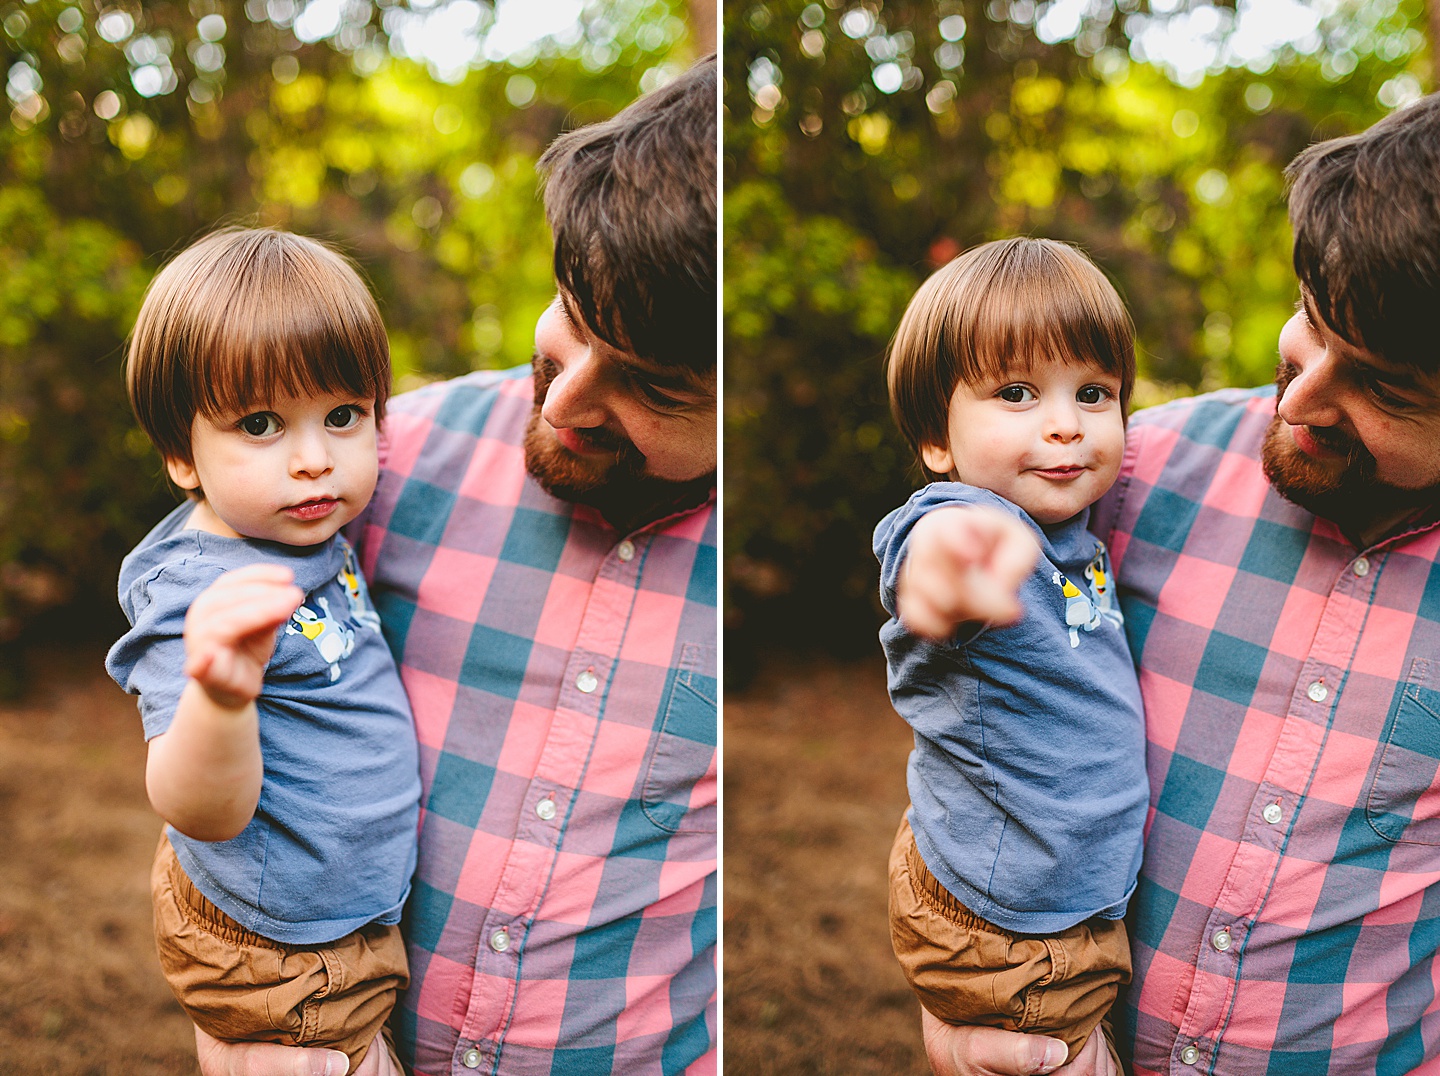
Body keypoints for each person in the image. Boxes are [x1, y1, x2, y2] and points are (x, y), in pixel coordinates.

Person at [196, 55, 717, 1076]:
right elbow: (234, 741)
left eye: (652, 384)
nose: (565, 402)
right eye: (573, 310)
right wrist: (249, 1015)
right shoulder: (383, 471)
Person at [921, 92, 1440, 1076]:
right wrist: (965, 999)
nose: (1305, 394)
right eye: (1313, 320)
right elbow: (974, 727)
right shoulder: (1134, 477)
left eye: (1384, 386)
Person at [105, 228, 422, 1072]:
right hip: (273, 952)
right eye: (260, 424)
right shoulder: (197, 593)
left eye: (344, 415)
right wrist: (218, 697)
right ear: (182, 454)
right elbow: (192, 805)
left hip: (339, 919)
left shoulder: (303, 527)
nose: (316, 460)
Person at [875, 238, 1148, 1069]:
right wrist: (947, 570)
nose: (1066, 422)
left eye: (1093, 393)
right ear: (936, 436)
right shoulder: (966, 516)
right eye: (1018, 392)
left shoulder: (1075, 535)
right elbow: (934, 540)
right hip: (1006, 918)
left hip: (1049, 891)